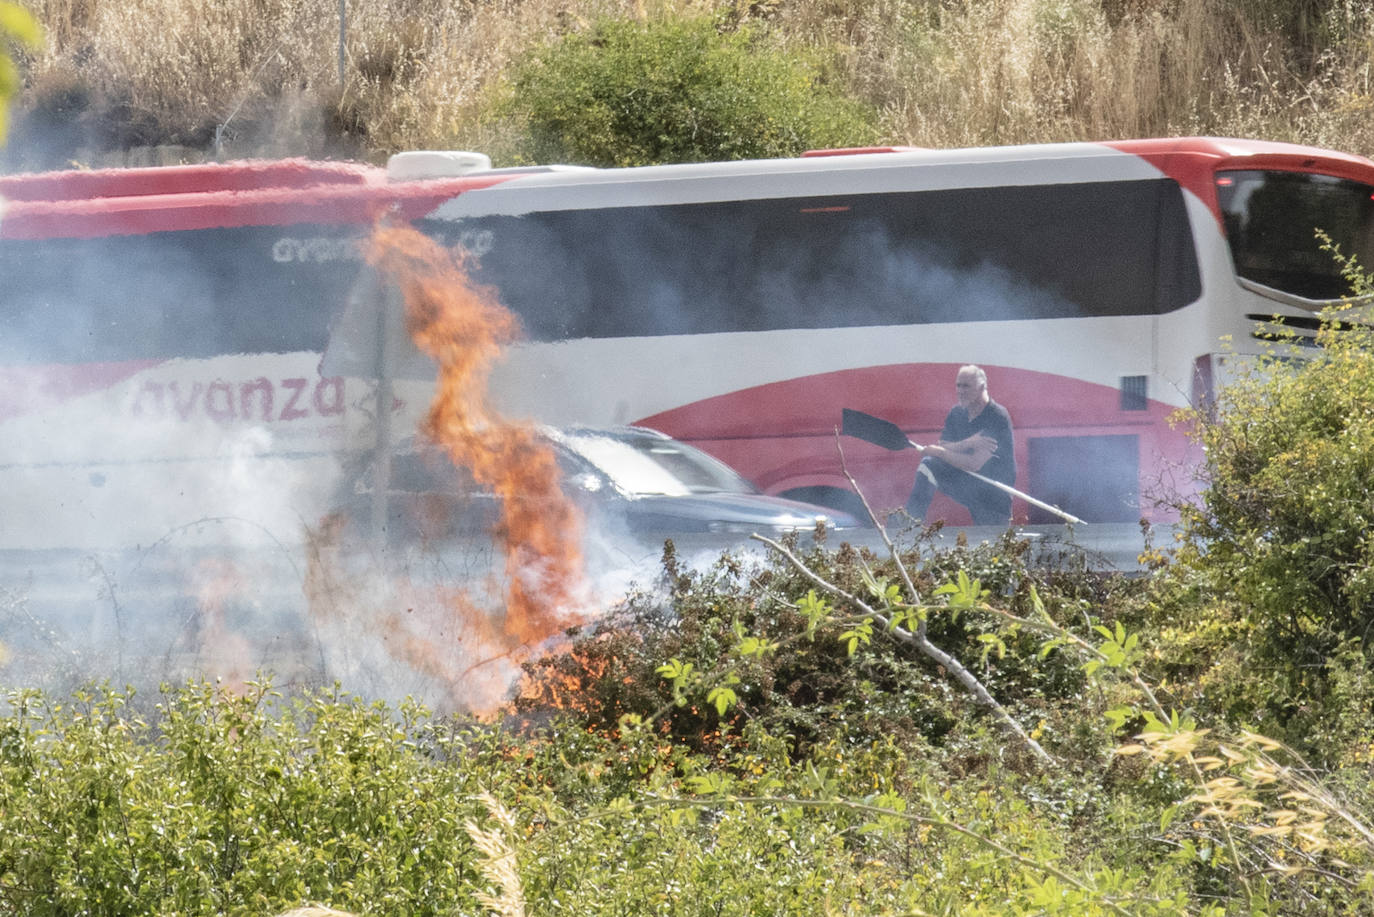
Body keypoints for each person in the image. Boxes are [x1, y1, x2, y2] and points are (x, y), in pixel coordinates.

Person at [905, 364, 1016, 526]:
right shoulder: (957, 413)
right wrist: (968, 443)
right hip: (966, 483)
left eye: (966, 386)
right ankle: (909, 525)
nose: (960, 391)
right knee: (928, 464)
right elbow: (943, 444)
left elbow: (974, 463)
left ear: (982, 387)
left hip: (993, 494)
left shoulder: (997, 416)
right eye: (958, 385)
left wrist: (941, 452)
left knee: (994, 545)